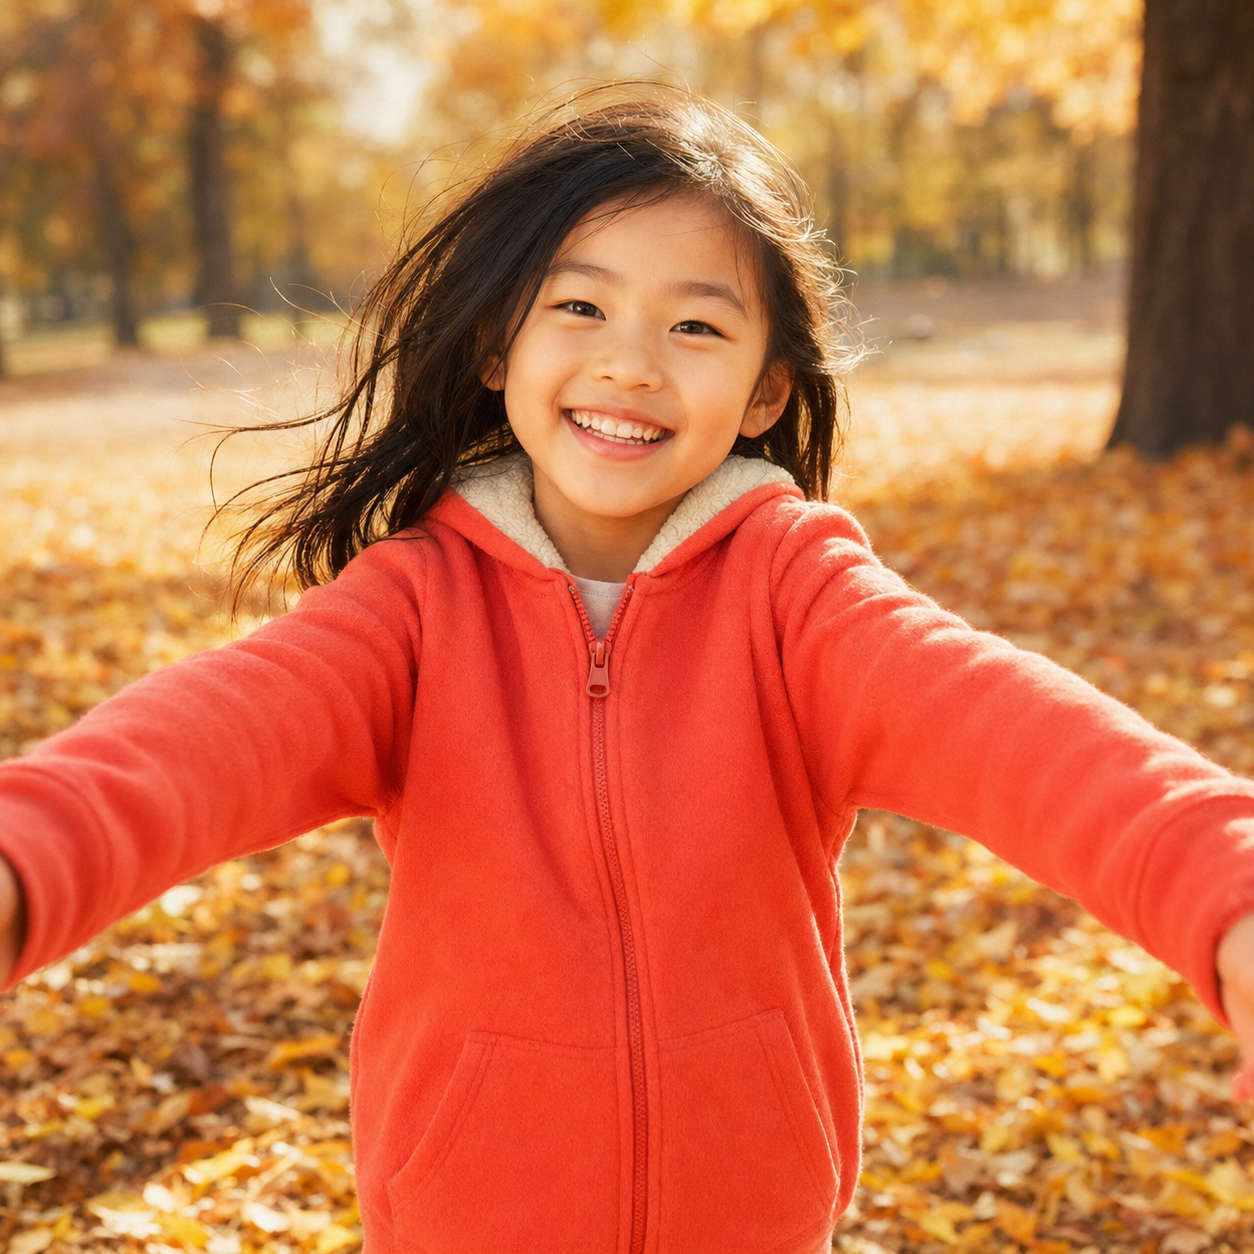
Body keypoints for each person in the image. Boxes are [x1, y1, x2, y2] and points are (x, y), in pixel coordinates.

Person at [2, 84, 1254, 1254]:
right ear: (498, 345)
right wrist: (26, 857)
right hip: (465, 1212)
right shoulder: (414, 610)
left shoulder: (796, 600)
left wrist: (1228, 893)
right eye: (581, 306)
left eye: (695, 324)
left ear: (766, 389)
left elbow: (1021, 736)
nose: (631, 362)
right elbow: (201, 744)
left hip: (752, 1212)